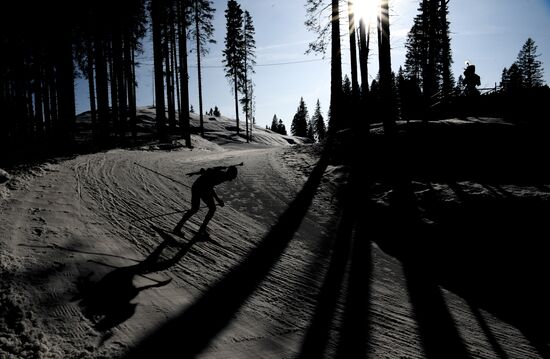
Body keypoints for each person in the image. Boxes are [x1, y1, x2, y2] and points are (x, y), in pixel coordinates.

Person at [173, 165, 238, 237]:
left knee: (197, 209)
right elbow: (210, 187)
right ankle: (199, 229)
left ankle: (180, 228)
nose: (231, 179)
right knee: (207, 208)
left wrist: (217, 199)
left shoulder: (222, 175)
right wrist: (218, 200)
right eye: (232, 176)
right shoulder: (221, 176)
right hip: (200, 188)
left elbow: (209, 185)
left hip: (199, 187)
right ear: (230, 174)